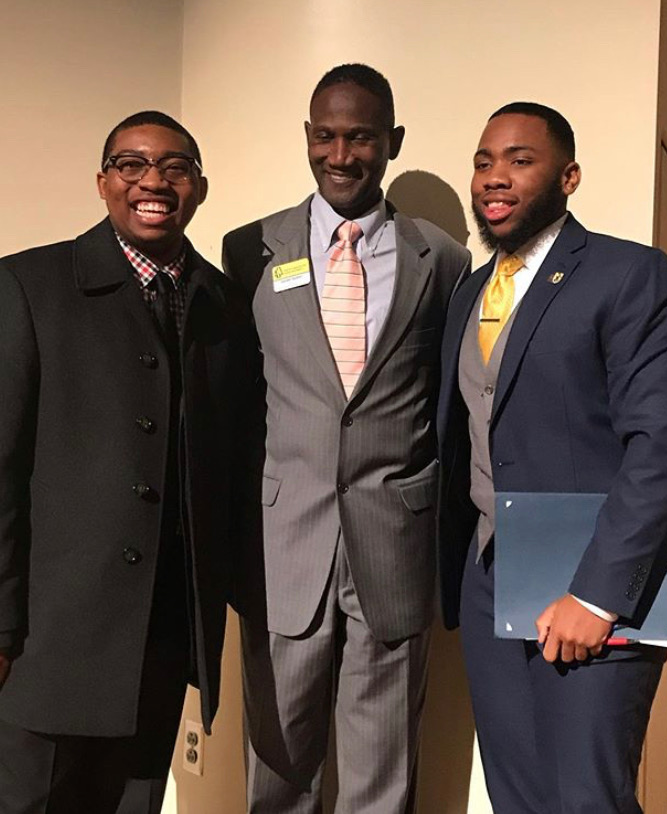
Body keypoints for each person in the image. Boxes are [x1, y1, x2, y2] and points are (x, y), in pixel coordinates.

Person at [0, 110, 260, 814]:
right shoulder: (26, 286)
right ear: (103, 182)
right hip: (46, 639)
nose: (154, 181)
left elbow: (234, 465)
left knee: (133, 804)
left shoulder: (224, 306)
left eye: (175, 167)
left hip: (163, 637)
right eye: (132, 165)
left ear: (200, 186)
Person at [437, 102, 667, 813]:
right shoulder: (470, 292)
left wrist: (597, 595)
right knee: (517, 797)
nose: (495, 177)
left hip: (596, 586)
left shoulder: (628, 274)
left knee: (588, 799)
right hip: (491, 579)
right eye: (484, 160)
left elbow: (662, 444)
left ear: (569, 176)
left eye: (520, 161)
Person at [222, 63, 471, 812]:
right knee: (278, 765)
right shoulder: (249, 251)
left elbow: (443, 401)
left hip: (392, 544)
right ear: (306, 137)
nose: (339, 155)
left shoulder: (442, 258)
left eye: (359, 136)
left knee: (382, 771)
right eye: (325, 136)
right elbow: (233, 405)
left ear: (390, 141)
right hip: (282, 546)